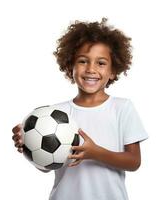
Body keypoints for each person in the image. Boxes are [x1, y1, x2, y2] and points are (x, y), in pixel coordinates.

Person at [12, 18, 148, 200]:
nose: (91, 69)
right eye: (83, 61)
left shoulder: (122, 108)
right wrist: (29, 144)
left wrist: (95, 153)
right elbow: (47, 166)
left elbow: (134, 162)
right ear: (70, 67)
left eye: (101, 63)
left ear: (113, 70)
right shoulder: (53, 114)